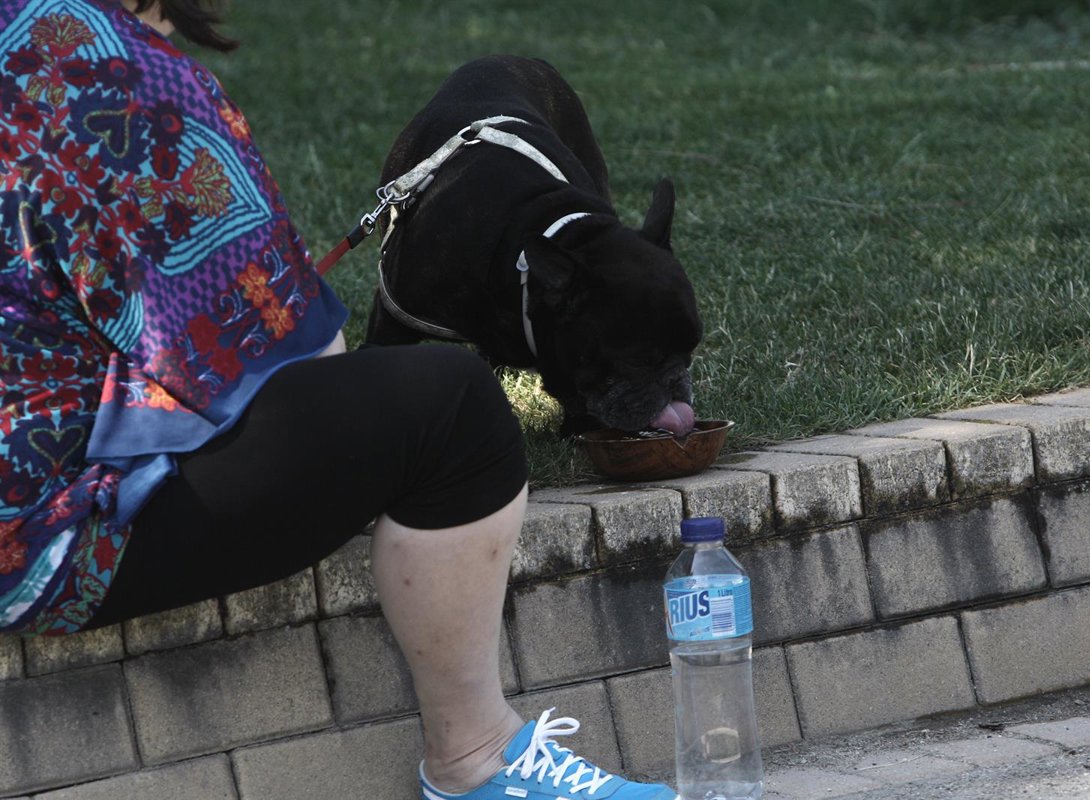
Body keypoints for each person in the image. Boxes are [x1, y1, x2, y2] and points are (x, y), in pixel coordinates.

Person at [0, 2, 678, 798]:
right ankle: (477, 759)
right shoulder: (97, 63)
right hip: (37, 534)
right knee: (449, 407)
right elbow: (285, 357)